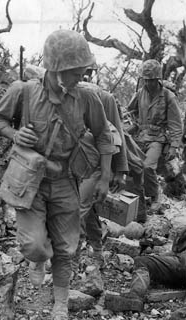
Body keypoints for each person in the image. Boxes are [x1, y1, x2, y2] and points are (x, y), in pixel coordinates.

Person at [0, 29, 115, 320]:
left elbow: (104, 134)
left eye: (83, 70)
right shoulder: (23, 91)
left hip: (64, 181)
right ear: (56, 68)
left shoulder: (86, 97)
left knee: (65, 250)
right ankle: (37, 260)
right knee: (32, 244)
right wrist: (15, 134)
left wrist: (106, 176)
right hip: (29, 182)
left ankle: (60, 311)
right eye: (76, 71)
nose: (81, 75)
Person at [72, 80, 129, 270]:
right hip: (76, 170)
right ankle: (97, 251)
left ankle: (71, 258)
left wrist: (116, 173)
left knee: (76, 210)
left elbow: (114, 143)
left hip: (95, 171)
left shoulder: (104, 114)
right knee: (88, 213)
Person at [127, 59, 183, 207]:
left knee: (148, 167)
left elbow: (176, 124)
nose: (148, 84)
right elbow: (129, 110)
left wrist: (174, 146)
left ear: (158, 79)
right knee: (133, 166)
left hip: (158, 138)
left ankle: (154, 195)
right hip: (140, 137)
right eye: (145, 80)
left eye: (151, 80)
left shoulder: (168, 96)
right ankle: (137, 199)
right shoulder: (140, 93)